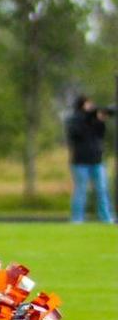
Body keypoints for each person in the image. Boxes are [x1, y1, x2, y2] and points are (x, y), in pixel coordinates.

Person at [66, 94, 114, 225]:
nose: (91, 107)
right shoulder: (75, 119)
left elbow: (100, 135)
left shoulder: (94, 120)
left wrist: (100, 120)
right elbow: (75, 134)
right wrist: (88, 119)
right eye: (88, 104)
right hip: (80, 162)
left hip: (97, 161)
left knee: (102, 190)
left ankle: (106, 218)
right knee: (81, 191)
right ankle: (77, 219)